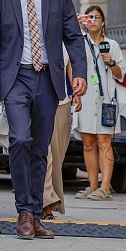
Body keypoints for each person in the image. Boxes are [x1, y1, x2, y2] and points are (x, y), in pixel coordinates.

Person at [0, 0, 87, 240]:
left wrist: (78, 72)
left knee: (40, 148)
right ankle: (23, 211)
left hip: (48, 80)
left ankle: (37, 213)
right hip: (16, 79)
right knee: (20, 138)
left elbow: (73, 37)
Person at [74, 5, 126, 201]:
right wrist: (74, 24)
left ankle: (105, 187)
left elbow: (121, 75)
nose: (93, 20)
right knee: (88, 143)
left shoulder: (111, 45)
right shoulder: (79, 42)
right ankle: (92, 185)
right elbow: (70, 63)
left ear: (103, 21)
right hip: (87, 98)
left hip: (106, 100)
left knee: (104, 141)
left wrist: (111, 62)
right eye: (90, 17)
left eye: (97, 17)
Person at [43, 47, 80, 219]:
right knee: (45, 152)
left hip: (62, 100)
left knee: (57, 156)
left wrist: (75, 92)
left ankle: (40, 197)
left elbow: (70, 63)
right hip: (36, 97)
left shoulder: (68, 32)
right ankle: (45, 203)